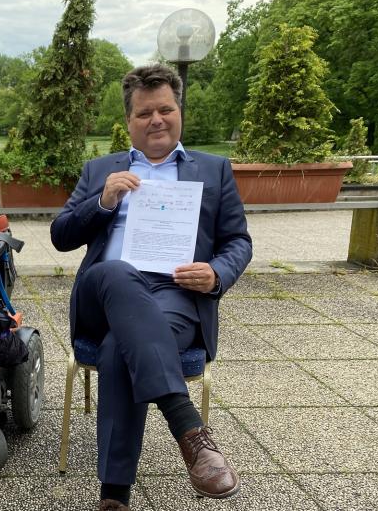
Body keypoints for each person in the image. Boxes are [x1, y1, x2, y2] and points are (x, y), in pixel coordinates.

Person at [50, 65, 252, 511]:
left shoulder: (214, 170)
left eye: (166, 109)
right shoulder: (101, 169)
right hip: (101, 294)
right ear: (128, 122)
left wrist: (217, 273)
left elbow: (238, 240)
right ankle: (188, 427)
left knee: (118, 350)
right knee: (116, 273)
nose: (156, 119)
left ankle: (114, 497)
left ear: (180, 112)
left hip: (176, 296)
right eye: (145, 113)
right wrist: (103, 202)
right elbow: (61, 234)